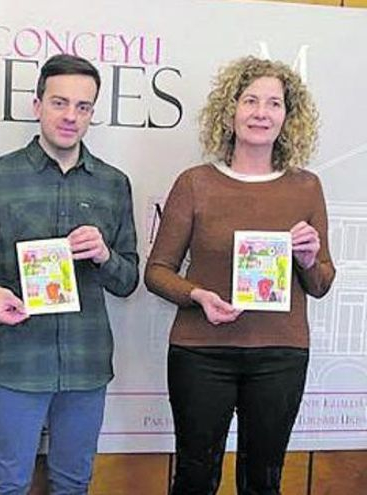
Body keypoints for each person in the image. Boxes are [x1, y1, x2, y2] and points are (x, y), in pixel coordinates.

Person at [144, 56, 335, 494]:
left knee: (263, 482)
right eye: (250, 100)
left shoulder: (306, 187)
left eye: (273, 103)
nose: (261, 112)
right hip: (200, 353)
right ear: (230, 111)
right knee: (194, 478)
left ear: (288, 117)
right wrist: (198, 296)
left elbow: (321, 283)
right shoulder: (195, 183)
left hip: (280, 355)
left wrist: (307, 259)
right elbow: (157, 272)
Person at [0, 54, 139, 494]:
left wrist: (104, 255)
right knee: (8, 485)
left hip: (87, 363)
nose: (70, 116)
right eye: (60, 103)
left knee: (74, 485)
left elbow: (129, 278)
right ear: (37, 105)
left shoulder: (114, 183)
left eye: (83, 107)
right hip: (19, 362)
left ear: (93, 113)